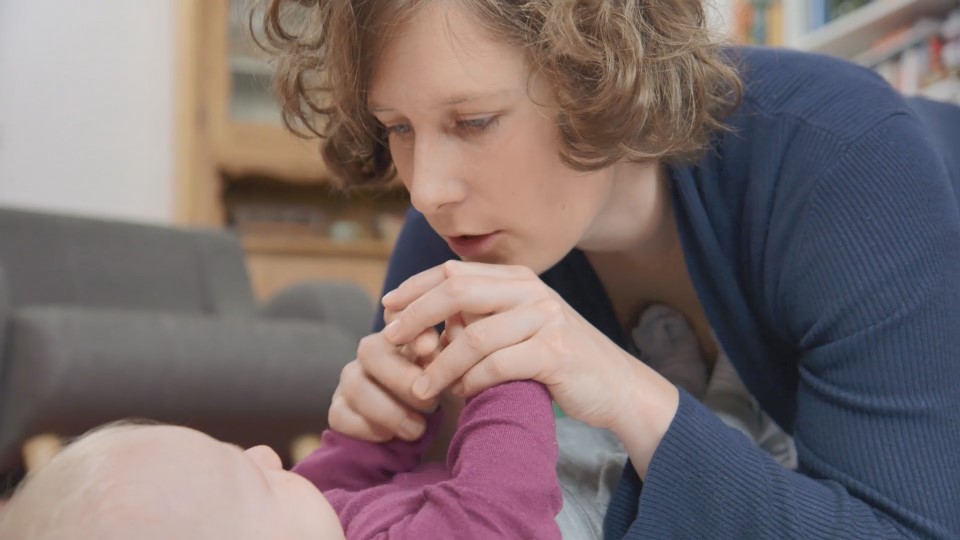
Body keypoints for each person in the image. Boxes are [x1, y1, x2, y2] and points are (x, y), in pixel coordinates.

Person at [260, 0, 960, 537]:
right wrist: (406, 428)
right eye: (399, 127)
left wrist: (629, 393)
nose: (427, 190)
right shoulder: (451, 232)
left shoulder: (843, 158)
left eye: (473, 121)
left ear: (603, 74)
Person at [0, 375, 562, 540]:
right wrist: (503, 376)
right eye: (257, 480)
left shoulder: (304, 521)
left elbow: (335, 480)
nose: (270, 454)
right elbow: (502, 504)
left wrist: (396, 410)